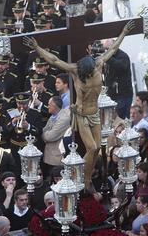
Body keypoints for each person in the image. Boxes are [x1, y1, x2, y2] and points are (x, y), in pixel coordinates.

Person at [24, 20, 135, 192]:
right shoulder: (75, 70)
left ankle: (87, 177)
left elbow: (112, 49)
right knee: (91, 147)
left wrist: (124, 33)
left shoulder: (98, 63)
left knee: (98, 148)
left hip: (95, 112)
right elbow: (54, 60)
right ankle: (84, 177)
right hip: (81, 114)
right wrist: (37, 48)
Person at [101, 37, 133, 119]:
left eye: (108, 48)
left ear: (116, 46)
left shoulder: (123, 56)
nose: (106, 51)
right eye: (105, 49)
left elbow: (120, 67)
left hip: (122, 96)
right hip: (112, 95)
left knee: (122, 120)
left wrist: (107, 58)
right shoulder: (109, 58)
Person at [41, 96, 71, 176]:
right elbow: (44, 130)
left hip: (56, 158)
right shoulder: (53, 116)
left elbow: (50, 137)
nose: (48, 107)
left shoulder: (64, 119)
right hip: (50, 156)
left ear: (54, 106)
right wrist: (45, 133)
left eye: (49, 105)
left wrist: (44, 135)